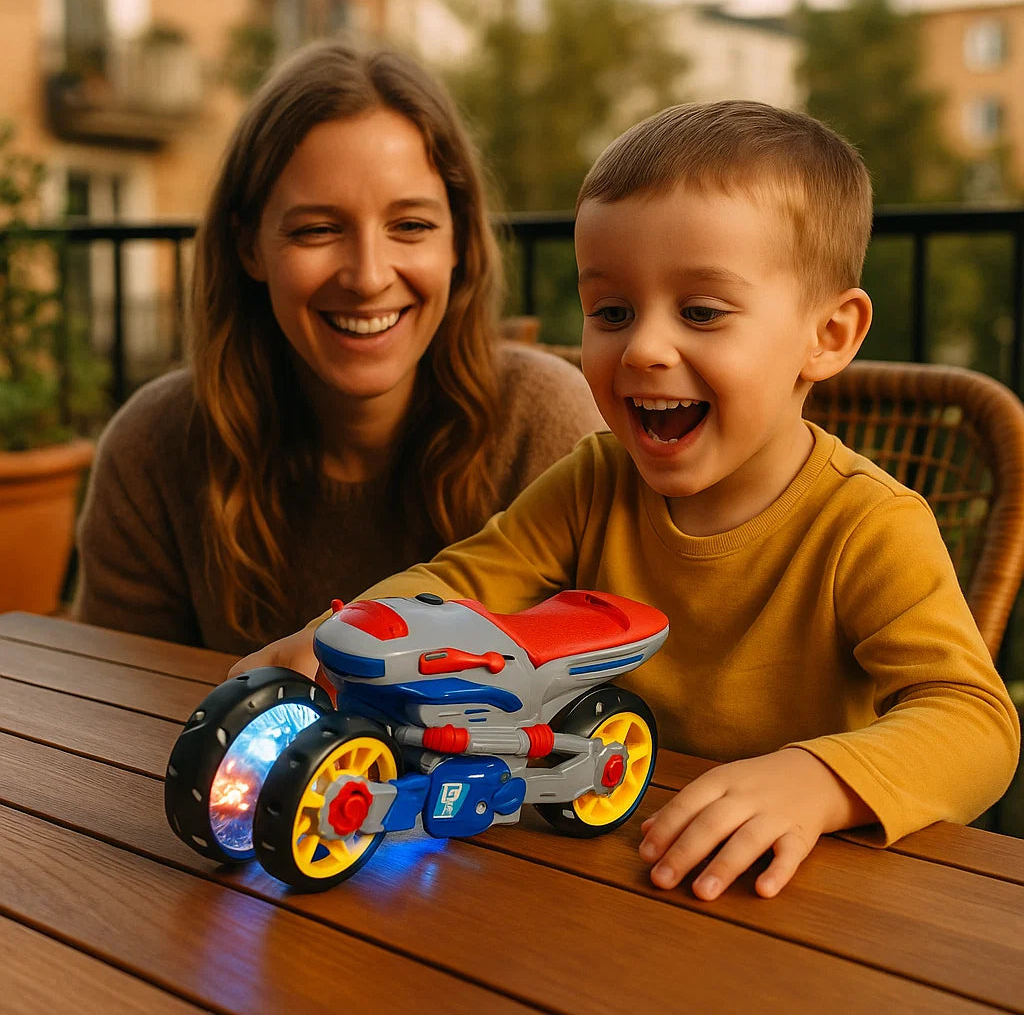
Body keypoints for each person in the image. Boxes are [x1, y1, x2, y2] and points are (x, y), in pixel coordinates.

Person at [232, 100, 1020, 900]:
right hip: (598, 867)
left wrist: (817, 780)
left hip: (788, 899)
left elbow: (976, 723)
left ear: (829, 335)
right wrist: (342, 637)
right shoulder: (593, 480)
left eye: (701, 312)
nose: (642, 348)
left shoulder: (869, 526)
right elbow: (463, 583)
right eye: (611, 311)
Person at [71, 40, 603, 655]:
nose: (368, 275)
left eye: (410, 225)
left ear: (457, 241)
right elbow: (109, 708)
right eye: (318, 229)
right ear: (249, 247)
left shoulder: (550, 428)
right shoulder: (154, 448)